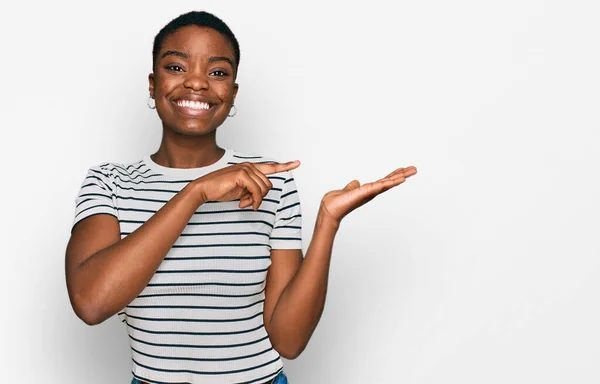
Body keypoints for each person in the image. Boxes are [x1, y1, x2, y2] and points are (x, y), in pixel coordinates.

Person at [65, 10, 417, 384]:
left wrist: (327, 223)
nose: (198, 83)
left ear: (232, 94)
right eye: (176, 67)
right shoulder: (110, 183)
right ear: (152, 85)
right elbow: (91, 302)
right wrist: (195, 192)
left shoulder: (270, 182)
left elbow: (290, 340)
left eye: (218, 72)